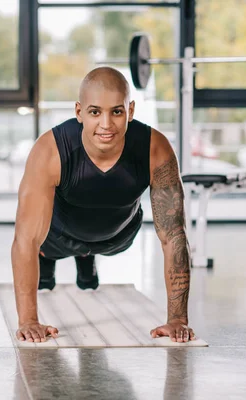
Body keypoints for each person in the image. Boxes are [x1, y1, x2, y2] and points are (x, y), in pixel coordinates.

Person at [11, 66, 195, 345]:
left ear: (130, 111)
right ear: (79, 112)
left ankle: (86, 256)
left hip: (117, 236)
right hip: (57, 237)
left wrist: (178, 320)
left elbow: (174, 236)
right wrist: (28, 321)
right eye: (95, 112)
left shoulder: (154, 148)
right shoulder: (50, 150)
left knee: (98, 245)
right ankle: (52, 260)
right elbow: (26, 239)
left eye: (117, 112)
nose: (106, 125)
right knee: (42, 250)